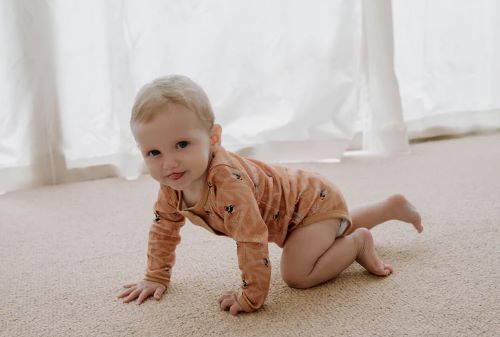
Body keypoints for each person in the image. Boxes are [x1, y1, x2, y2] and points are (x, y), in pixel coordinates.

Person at [116, 75, 423, 315]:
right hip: (308, 207)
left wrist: (251, 297)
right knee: (322, 230)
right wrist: (156, 276)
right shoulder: (173, 184)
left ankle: (357, 244)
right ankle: (388, 207)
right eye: (153, 152)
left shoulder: (227, 185)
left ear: (213, 138)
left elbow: (251, 240)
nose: (169, 163)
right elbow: (163, 229)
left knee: (297, 274)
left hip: (309, 204)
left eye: (182, 144)